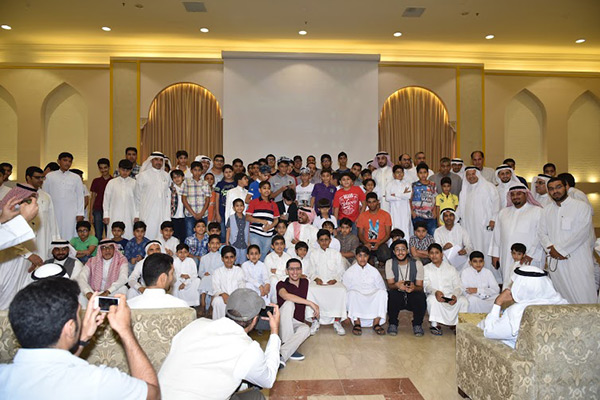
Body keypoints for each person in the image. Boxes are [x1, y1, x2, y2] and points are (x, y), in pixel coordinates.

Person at [0, 278, 159, 399]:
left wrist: (83, 338)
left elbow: (54, 366)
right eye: (78, 315)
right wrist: (126, 331)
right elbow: (153, 394)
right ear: (70, 328)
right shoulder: (98, 381)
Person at [159, 288, 281, 400]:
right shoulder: (248, 349)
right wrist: (274, 332)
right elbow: (268, 380)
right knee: (256, 397)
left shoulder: (197, 324)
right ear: (255, 319)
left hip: (159, 395)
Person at [537, 177, 596, 304]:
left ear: (566, 187)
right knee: (561, 295)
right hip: (555, 259)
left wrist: (561, 250)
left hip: (577, 258)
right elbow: (541, 233)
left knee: (584, 293)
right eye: (551, 189)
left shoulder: (581, 207)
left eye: (558, 187)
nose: (555, 191)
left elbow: (582, 233)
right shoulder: (546, 210)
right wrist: (550, 247)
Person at [477, 266, 568, 348]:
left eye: (514, 284)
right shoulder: (563, 304)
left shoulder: (517, 312)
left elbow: (489, 332)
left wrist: (498, 302)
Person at [489, 185, 544, 288]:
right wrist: (495, 254)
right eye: (513, 194)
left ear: (526, 195)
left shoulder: (537, 211)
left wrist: (531, 254)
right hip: (506, 255)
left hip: (528, 257)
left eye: (519, 194)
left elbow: (541, 235)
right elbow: (496, 235)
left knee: (528, 284)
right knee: (508, 281)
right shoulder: (503, 212)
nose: (515, 197)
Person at [457, 166, 501, 283]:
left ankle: (490, 279)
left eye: (473, 174)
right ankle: (472, 279)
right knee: (471, 248)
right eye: (468, 174)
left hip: (484, 227)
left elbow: (496, 204)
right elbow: (460, 208)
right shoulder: (464, 190)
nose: (471, 177)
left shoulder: (488, 187)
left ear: (478, 174)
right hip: (469, 226)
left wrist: (493, 219)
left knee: (485, 250)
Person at [305, 229, 347, 336]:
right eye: (321, 240)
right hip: (318, 281)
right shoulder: (313, 254)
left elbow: (341, 271)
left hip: (333, 281)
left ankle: (337, 321)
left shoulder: (336, 254)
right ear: (318, 241)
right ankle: (315, 320)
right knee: (310, 290)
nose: (324, 242)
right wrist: (316, 278)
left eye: (326, 240)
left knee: (341, 290)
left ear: (330, 240)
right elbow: (311, 271)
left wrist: (335, 279)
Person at [277, 258, 315, 366]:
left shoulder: (305, 282)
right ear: (286, 271)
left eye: (298, 269)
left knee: (306, 329)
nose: (295, 272)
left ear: (301, 270)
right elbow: (285, 296)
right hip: (282, 322)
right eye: (291, 269)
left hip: (296, 323)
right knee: (289, 303)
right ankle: (287, 343)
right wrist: (310, 303)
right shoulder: (281, 284)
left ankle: (283, 354)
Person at [423, 243, 468, 335]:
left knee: (464, 301)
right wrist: (435, 292)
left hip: (450, 295)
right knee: (431, 300)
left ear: (442, 254)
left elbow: (458, 285)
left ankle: (458, 325)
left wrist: (455, 295)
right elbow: (426, 285)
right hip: (436, 296)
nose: (434, 255)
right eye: (431, 253)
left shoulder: (451, 268)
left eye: (437, 253)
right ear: (428, 255)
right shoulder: (425, 268)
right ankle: (435, 325)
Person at [342, 245, 388, 335]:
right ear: (356, 256)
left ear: (368, 257)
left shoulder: (374, 271)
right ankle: (357, 323)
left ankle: (376, 323)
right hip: (357, 297)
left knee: (382, 293)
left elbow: (382, 287)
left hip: (372, 296)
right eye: (360, 256)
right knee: (352, 293)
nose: (362, 259)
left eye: (365, 256)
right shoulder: (349, 272)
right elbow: (344, 290)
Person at [385, 239, 427, 336]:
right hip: (397, 291)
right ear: (394, 252)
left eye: (403, 249)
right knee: (392, 294)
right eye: (397, 250)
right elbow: (390, 285)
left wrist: (413, 287)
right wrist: (397, 285)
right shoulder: (389, 263)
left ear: (407, 251)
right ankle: (393, 323)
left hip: (412, 292)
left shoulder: (417, 263)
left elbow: (420, 286)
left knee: (420, 296)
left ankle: (417, 324)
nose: (400, 252)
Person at [43, 152, 85, 240]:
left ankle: (69, 248)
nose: (67, 163)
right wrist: (45, 211)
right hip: (54, 211)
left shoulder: (76, 177)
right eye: (65, 160)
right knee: (54, 231)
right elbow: (45, 195)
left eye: (69, 161)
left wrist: (80, 213)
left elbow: (80, 196)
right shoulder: (50, 176)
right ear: (58, 161)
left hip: (71, 212)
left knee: (70, 232)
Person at [77, 239, 129, 306]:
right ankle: (87, 312)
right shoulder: (92, 261)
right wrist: (88, 292)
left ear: (114, 249)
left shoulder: (121, 260)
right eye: (104, 248)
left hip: (111, 292)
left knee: (123, 289)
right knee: (81, 291)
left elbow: (123, 278)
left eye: (110, 247)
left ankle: (117, 311)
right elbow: (81, 277)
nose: (107, 250)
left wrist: (107, 292)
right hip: (94, 293)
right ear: (100, 250)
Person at [135, 152, 171, 240]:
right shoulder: (143, 175)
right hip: (147, 211)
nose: (158, 162)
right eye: (156, 159)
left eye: (161, 160)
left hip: (162, 212)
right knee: (148, 232)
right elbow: (137, 196)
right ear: (151, 160)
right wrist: (137, 214)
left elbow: (168, 196)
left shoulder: (167, 176)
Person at [103, 159, 137, 240]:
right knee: (113, 235)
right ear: (118, 169)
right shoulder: (112, 183)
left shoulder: (135, 183)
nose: (125, 172)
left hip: (130, 215)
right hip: (114, 214)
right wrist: (106, 215)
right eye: (123, 170)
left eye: (127, 170)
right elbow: (106, 200)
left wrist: (137, 215)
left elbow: (138, 201)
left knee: (129, 233)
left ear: (131, 170)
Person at [246, 181, 280, 261]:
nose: (266, 190)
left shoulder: (274, 204)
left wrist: (270, 227)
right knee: (256, 254)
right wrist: (260, 221)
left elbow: (276, 219)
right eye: (264, 188)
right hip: (255, 233)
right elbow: (247, 217)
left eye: (268, 188)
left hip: (268, 235)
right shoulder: (254, 202)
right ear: (259, 190)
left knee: (263, 256)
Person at [356, 192, 392, 265]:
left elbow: (388, 234)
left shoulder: (385, 215)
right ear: (366, 203)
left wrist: (378, 244)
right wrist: (366, 243)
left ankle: (380, 260)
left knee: (386, 256)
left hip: (381, 243)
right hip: (367, 243)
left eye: (374, 202)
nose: (372, 204)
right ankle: (371, 258)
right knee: (362, 256)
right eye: (369, 202)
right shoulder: (363, 215)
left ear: (378, 202)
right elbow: (360, 234)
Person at [211, 246, 246, 320]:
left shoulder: (239, 271)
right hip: (222, 298)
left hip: (236, 297)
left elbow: (242, 286)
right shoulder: (217, 272)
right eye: (226, 257)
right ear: (222, 259)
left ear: (235, 258)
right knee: (217, 301)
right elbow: (215, 288)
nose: (229, 260)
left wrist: (233, 297)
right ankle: (219, 323)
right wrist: (223, 294)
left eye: (231, 257)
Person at [181, 161, 211, 238]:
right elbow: (184, 199)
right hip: (190, 215)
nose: (197, 172)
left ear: (202, 171)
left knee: (203, 236)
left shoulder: (205, 183)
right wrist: (194, 214)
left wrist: (201, 213)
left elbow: (207, 200)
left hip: (203, 215)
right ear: (191, 171)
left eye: (199, 170)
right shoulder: (186, 182)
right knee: (189, 235)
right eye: (195, 170)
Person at [198, 234, 225, 314]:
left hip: (216, 278)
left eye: (217, 243)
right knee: (206, 278)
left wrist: (213, 275)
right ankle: (203, 304)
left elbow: (221, 271)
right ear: (209, 245)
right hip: (206, 278)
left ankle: (211, 305)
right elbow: (200, 272)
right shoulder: (204, 258)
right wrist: (204, 274)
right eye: (212, 243)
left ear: (220, 245)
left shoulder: (221, 258)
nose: (215, 245)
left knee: (213, 281)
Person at [385, 165, 412, 238]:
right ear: (394, 174)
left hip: (405, 209)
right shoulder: (390, 184)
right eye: (397, 172)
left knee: (405, 226)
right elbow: (388, 197)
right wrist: (402, 194)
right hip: (394, 210)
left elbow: (408, 196)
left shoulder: (407, 184)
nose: (399, 174)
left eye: (401, 172)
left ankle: (405, 243)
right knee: (394, 225)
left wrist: (395, 195)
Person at [410, 163, 437, 235]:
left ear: (428, 173)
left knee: (432, 234)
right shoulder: (414, 185)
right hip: (418, 215)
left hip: (430, 215)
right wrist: (412, 211)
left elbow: (435, 199)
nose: (423, 175)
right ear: (417, 174)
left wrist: (434, 210)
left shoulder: (433, 184)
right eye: (420, 173)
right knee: (419, 235)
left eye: (425, 172)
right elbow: (410, 199)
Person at [89, 158, 112, 241]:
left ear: (109, 167)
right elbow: (93, 197)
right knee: (98, 235)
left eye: (105, 167)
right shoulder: (96, 181)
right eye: (101, 168)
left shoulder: (113, 181)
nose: (103, 170)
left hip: (110, 210)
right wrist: (90, 213)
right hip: (97, 210)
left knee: (109, 233)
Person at [265, 235, 292, 301]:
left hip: (285, 279)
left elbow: (289, 272)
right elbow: (268, 274)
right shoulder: (268, 258)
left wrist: (277, 271)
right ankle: (275, 302)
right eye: (277, 244)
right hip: (274, 281)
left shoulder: (288, 257)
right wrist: (283, 272)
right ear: (272, 246)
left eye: (281, 244)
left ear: (284, 245)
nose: (279, 246)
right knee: (273, 279)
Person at [215, 164, 237, 240]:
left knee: (234, 234)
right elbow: (217, 199)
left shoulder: (236, 184)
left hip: (234, 212)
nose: (228, 174)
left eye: (230, 172)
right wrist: (217, 213)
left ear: (233, 172)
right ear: (223, 173)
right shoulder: (219, 184)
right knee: (223, 234)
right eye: (226, 172)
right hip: (222, 212)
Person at [226, 198, 250, 265]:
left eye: (241, 205)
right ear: (233, 208)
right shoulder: (231, 218)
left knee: (243, 262)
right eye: (237, 206)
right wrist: (227, 242)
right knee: (235, 261)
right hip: (234, 243)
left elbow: (248, 231)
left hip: (244, 244)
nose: (239, 207)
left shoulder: (247, 218)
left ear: (244, 207)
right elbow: (228, 230)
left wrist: (248, 242)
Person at [169, 169, 187, 243]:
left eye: (179, 176)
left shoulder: (187, 188)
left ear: (183, 177)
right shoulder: (170, 189)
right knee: (174, 237)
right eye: (174, 177)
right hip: (174, 216)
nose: (177, 179)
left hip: (185, 216)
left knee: (184, 236)